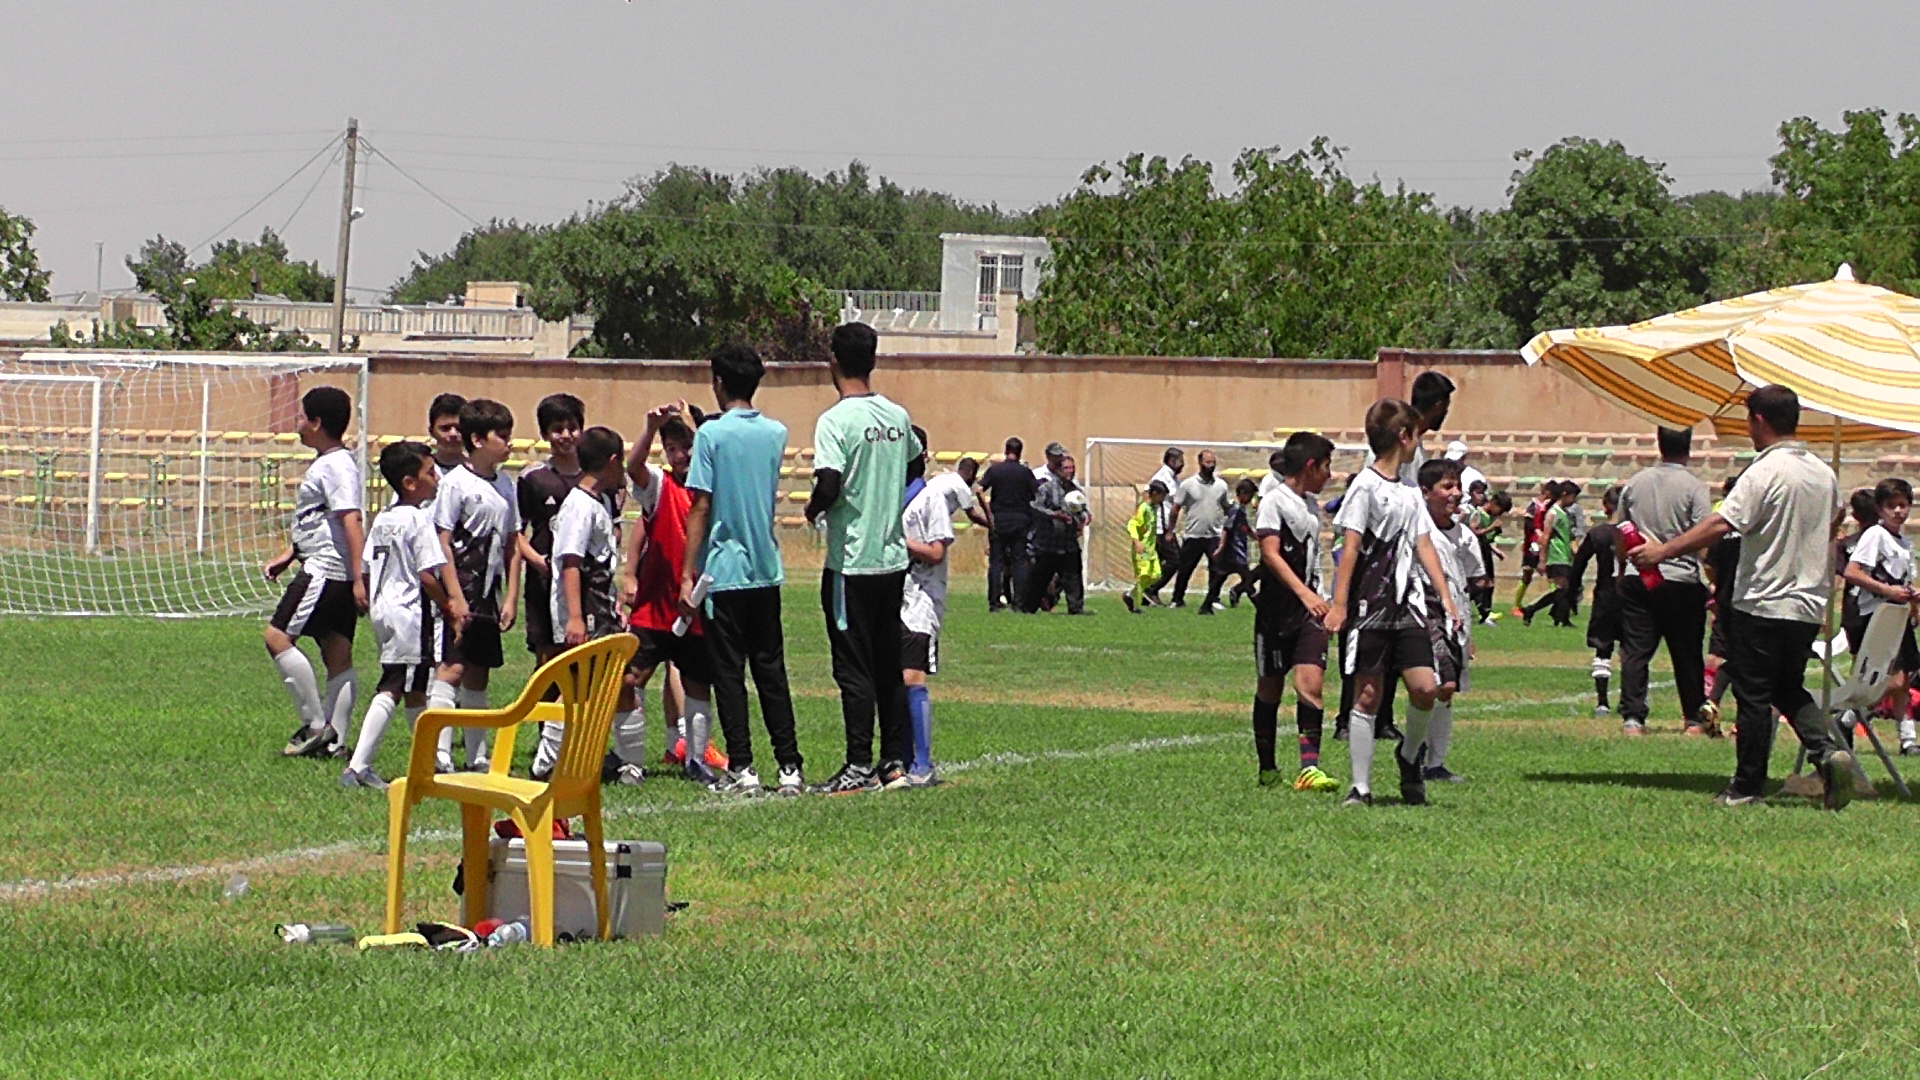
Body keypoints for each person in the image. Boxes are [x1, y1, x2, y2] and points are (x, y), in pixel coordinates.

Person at [1630, 384, 1854, 809]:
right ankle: (1827, 754)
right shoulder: (1822, 473)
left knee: (1753, 693)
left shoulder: (1763, 471)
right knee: (1787, 685)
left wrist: (1664, 550)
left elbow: (1722, 523)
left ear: (1760, 420)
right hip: (1808, 602)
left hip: (1763, 599)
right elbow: (1836, 516)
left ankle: (1747, 786)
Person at [1325, 399, 1463, 807]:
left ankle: (1409, 756)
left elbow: (1424, 544)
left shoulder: (1409, 491)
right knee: (1368, 694)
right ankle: (1360, 787)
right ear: (1404, 437)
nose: (1418, 442)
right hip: (1370, 605)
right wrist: (1340, 604)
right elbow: (1350, 547)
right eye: (1415, 434)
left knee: (1425, 688)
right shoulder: (1365, 487)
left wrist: (1446, 597)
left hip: (1408, 606)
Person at [683, 344, 806, 797]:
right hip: (765, 568)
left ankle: (743, 767)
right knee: (771, 671)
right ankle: (789, 766)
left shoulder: (711, 435)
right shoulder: (775, 432)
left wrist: (687, 572)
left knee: (729, 674)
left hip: (723, 571)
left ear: (718, 382)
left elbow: (701, 504)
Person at [804, 323, 922, 795]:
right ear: (873, 360)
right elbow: (916, 460)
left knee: (852, 667)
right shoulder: (897, 415)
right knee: (887, 664)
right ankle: (893, 762)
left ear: (832, 360)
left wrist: (813, 508)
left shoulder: (835, 420)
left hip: (851, 563)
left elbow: (830, 482)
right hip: (891, 560)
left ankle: (857, 764)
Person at [341, 441, 463, 790]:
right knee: (394, 685)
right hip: (409, 613)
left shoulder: (384, 518)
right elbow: (427, 574)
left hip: (384, 609)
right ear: (410, 482)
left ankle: (430, 763)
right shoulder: (418, 520)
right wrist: (448, 606)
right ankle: (358, 767)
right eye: (430, 472)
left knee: (414, 688)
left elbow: (366, 567)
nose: (437, 477)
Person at [613, 403, 720, 785]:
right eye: (671, 448)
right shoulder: (661, 485)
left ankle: (696, 759)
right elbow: (634, 467)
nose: (680, 456)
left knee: (697, 684)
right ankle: (630, 762)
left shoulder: (714, 487)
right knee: (628, 680)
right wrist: (649, 427)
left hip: (696, 607)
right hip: (655, 608)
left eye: (686, 447)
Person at [264, 386, 366, 758]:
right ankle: (336, 742)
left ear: (317, 422)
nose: (298, 424)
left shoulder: (335, 465)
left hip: (325, 569)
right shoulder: (333, 462)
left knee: (277, 637)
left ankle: (316, 726)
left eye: (302, 417)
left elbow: (351, 519)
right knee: (337, 653)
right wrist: (290, 554)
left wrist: (360, 576)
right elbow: (323, 520)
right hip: (329, 566)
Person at [428, 399, 522, 774]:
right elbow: (442, 541)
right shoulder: (455, 484)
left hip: (488, 593)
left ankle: (477, 756)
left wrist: (511, 597)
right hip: (462, 589)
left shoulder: (506, 484)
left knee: (479, 671)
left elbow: (513, 543)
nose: (509, 443)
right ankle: (438, 754)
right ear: (478, 440)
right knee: (451, 668)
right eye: (503, 436)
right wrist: (454, 596)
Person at [1252, 431, 1338, 792]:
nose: (1330, 475)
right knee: (1270, 688)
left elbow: (1312, 560)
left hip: (1309, 613)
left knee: (1311, 685)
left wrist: (1322, 599)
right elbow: (1270, 553)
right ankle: (1267, 768)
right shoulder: (1274, 500)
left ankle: (1309, 769)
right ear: (1310, 465)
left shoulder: (1310, 506)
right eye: (1326, 467)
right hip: (1276, 612)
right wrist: (1304, 594)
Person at [1613, 427, 1713, 737]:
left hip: (1639, 576)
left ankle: (1633, 718)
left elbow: (1621, 530)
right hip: (1681, 578)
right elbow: (1703, 536)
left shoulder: (1635, 483)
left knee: (1636, 650)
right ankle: (1693, 719)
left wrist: (1622, 570)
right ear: (1689, 447)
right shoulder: (1695, 487)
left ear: (1659, 444)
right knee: (1687, 653)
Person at [546, 427, 630, 774]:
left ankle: (621, 760)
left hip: (601, 606)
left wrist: (615, 602)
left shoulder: (601, 502)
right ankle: (547, 761)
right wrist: (576, 617)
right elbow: (571, 562)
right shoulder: (579, 505)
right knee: (579, 684)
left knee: (612, 681)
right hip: (585, 611)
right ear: (613, 461)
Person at [901, 438, 966, 786]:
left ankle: (923, 764)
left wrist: (900, 543)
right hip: (894, 596)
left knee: (913, 675)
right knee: (893, 678)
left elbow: (937, 552)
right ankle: (899, 759)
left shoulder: (931, 497)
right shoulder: (890, 495)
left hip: (921, 599)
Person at [1842, 478, 1920, 756]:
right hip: (1876, 615)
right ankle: (1847, 717)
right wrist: (1888, 591)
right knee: (1892, 680)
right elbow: (1853, 572)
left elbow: (1903, 580)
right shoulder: (1875, 535)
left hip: (1897, 616)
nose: (1898, 511)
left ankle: (1908, 739)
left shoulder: (1904, 543)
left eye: (1903, 505)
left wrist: (1912, 599)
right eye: (1891, 506)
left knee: (1905, 680)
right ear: (1879, 509)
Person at [1418, 458, 1483, 783]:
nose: (1456, 493)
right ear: (1425, 492)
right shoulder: (1417, 533)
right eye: (1447, 487)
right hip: (1424, 619)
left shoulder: (1464, 536)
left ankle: (1434, 761)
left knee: (1446, 691)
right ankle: (1416, 754)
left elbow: (1471, 580)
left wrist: (1467, 633)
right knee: (1436, 686)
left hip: (1455, 624)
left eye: (1457, 486)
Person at [1569, 486, 1624, 719]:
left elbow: (1579, 564)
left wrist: (1572, 593)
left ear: (1605, 506)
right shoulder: (1636, 533)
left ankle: (1602, 702)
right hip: (1631, 597)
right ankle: (1631, 700)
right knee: (1633, 650)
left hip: (1605, 597)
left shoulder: (1598, 533)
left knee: (1603, 649)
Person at [1024, 451, 1088, 615]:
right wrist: (1054, 515)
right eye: (1066, 468)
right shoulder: (1047, 488)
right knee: (1040, 578)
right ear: (1058, 470)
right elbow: (1035, 507)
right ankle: (1028, 608)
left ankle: (1076, 608)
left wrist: (1085, 518)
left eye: (1072, 468)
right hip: (1049, 544)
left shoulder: (1076, 491)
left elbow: (1083, 510)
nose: (1070, 471)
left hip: (1069, 543)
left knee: (1073, 577)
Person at [1167, 450, 1232, 608]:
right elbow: (1176, 508)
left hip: (1214, 535)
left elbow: (1227, 508)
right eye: (1208, 462)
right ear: (1200, 463)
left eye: (1213, 462)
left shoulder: (1221, 486)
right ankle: (1177, 599)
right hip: (1193, 535)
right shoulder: (1188, 485)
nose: (1211, 465)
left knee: (1215, 569)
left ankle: (1213, 599)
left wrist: (1228, 530)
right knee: (1185, 569)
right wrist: (1170, 530)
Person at [979, 438, 1038, 612]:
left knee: (996, 563)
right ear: (1020, 452)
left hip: (999, 520)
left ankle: (994, 602)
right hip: (1020, 519)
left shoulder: (995, 470)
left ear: (1006, 451)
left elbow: (979, 490)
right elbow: (1036, 494)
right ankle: (1019, 603)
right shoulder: (1025, 472)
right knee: (1019, 562)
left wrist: (988, 514)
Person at [1522, 481, 1578, 627]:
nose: (1574, 501)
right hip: (1556, 555)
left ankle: (1557, 615)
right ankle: (1533, 610)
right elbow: (1545, 537)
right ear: (1565, 495)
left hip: (1564, 554)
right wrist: (1542, 559)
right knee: (1563, 589)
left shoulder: (1564, 514)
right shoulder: (1553, 513)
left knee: (1565, 589)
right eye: (1573, 497)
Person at [1201, 478, 1258, 613]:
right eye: (1250, 495)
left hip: (1233, 551)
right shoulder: (1236, 509)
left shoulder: (1240, 509)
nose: (1251, 499)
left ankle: (1206, 606)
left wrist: (1255, 536)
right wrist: (1221, 547)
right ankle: (1261, 606)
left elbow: (1244, 527)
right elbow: (1227, 529)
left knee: (1219, 579)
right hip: (1235, 551)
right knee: (1248, 578)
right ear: (1242, 493)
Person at [1143, 447, 1185, 604]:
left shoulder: (1174, 479)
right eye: (1180, 461)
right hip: (1160, 528)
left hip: (1168, 527)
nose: (1183, 465)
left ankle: (1145, 592)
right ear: (1171, 461)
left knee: (1164, 562)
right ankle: (1150, 590)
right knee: (1175, 560)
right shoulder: (1161, 477)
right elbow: (1147, 496)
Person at [1124, 481, 1169, 613]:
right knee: (1143, 576)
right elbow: (1132, 524)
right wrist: (1137, 542)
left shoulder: (1154, 508)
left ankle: (1130, 595)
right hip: (1142, 550)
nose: (1163, 499)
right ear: (1154, 493)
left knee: (1156, 575)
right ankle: (1135, 606)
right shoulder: (1144, 508)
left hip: (1151, 549)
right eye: (1161, 495)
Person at [1469, 489, 1511, 626]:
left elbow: (1487, 539)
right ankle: (1476, 609)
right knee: (1480, 582)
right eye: (1500, 509)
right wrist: (1491, 528)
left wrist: (1496, 549)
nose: (1500, 513)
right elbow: (1474, 532)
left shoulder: (1492, 517)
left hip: (1485, 550)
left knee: (1490, 582)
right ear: (1493, 502)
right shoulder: (1478, 514)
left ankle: (1486, 612)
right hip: (1476, 551)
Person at [1512, 480, 1552, 616]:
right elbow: (1528, 522)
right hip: (1532, 544)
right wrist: (1536, 531)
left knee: (1551, 573)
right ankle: (1516, 605)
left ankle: (1557, 604)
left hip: (1544, 543)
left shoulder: (1550, 506)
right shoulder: (1534, 505)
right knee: (1528, 573)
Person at [426, 393, 467, 475]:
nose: (453, 434)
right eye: (445, 428)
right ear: (431, 432)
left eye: (459, 428)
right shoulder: (421, 472)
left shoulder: (480, 470)